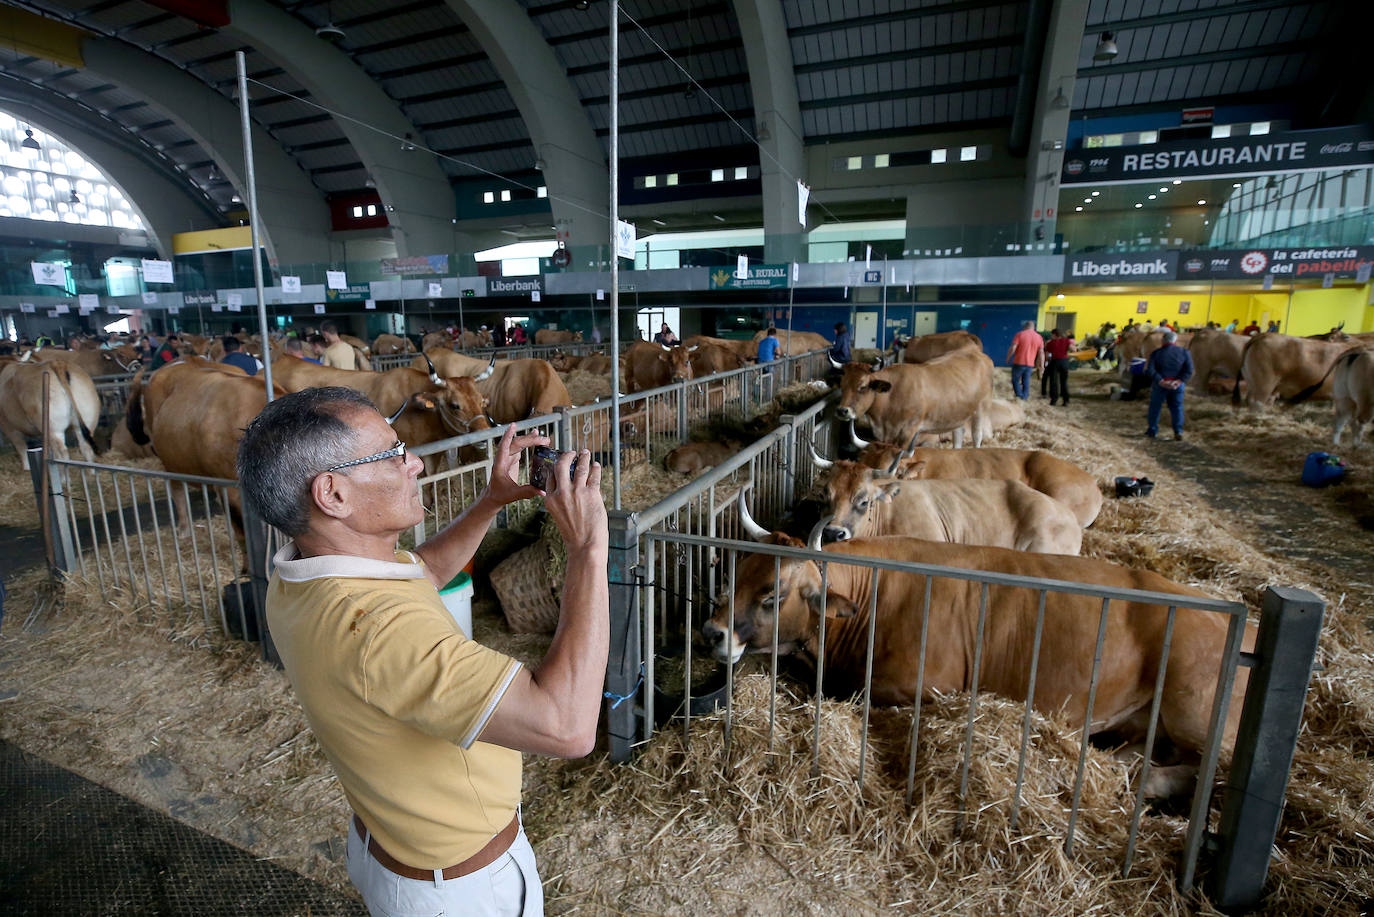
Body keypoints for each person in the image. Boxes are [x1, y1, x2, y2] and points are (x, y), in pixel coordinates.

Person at [237, 390, 608, 917]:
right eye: (390, 454)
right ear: (333, 494)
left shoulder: (301, 571)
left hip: (388, 845)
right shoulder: (379, 629)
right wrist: (588, 547)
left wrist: (493, 499)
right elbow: (567, 727)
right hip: (462, 891)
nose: (415, 462)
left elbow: (424, 574)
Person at [1144, 330, 1194, 441]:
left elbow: (1150, 370)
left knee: (1155, 408)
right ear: (1175, 341)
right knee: (1177, 408)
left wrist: (1161, 381)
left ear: (1162, 341)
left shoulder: (1156, 353)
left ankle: (1152, 430)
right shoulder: (1184, 352)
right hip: (1177, 386)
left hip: (1160, 385)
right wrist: (1179, 381)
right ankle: (1178, 431)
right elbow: (1189, 370)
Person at [1005, 320, 1045, 401]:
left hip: (1019, 362)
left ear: (1025, 326)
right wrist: (1042, 365)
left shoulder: (1020, 334)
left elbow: (1013, 347)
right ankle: (1025, 397)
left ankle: (1019, 396)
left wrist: (1008, 358)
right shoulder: (1039, 337)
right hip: (1030, 364)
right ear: (1034, 328)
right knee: (1026, 381)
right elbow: (1041, 353)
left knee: (1015, 380)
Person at [1044, 327, 1075, 406]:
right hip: (1064, 362)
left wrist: (1047, 361)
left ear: (1054, 334)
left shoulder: (1050, 343)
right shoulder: (1066, 341)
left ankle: (1054, 400)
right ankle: (1066, 400)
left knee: (1053, 382)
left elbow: (1047, 355)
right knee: (1064, 381)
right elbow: (1073, 350)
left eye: (1052, 335)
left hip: (1054, 362)